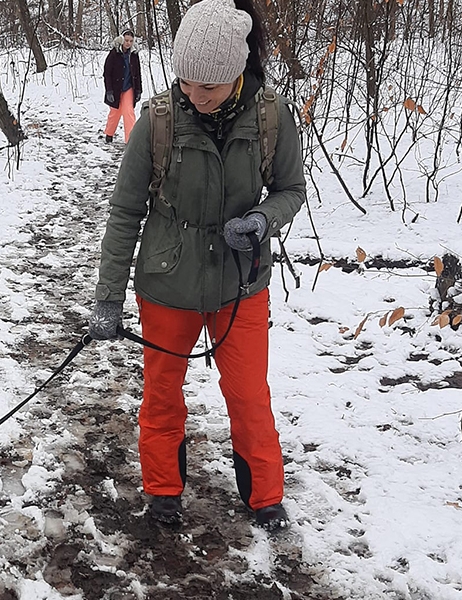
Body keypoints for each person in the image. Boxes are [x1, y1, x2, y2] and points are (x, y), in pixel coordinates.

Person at [87, 0, 306, 529]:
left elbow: (290, 189)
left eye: (208, 87)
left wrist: (262, 219)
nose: (194, 96)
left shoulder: (272, 116)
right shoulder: (158, 122)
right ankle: (163, 490)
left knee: (250, 395)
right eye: (186, 84)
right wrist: (108, 298)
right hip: (167, 285)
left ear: (235, 74)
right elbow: (124, 213)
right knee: (162, 395)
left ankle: (266, 497)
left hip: (241, 285)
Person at [102, 30, 142, 144]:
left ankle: (130, 141)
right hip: (115, 88)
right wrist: (109, 90)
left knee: (128, 112)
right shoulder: (114, 53)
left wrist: (138, 90)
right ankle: (109, 134)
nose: (128, 43)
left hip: (129, 87)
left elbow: (137, 73)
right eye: (126, 40)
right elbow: (107, 73)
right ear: (121, 40)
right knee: (115, 112)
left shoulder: (134, 55)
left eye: (130, 41)